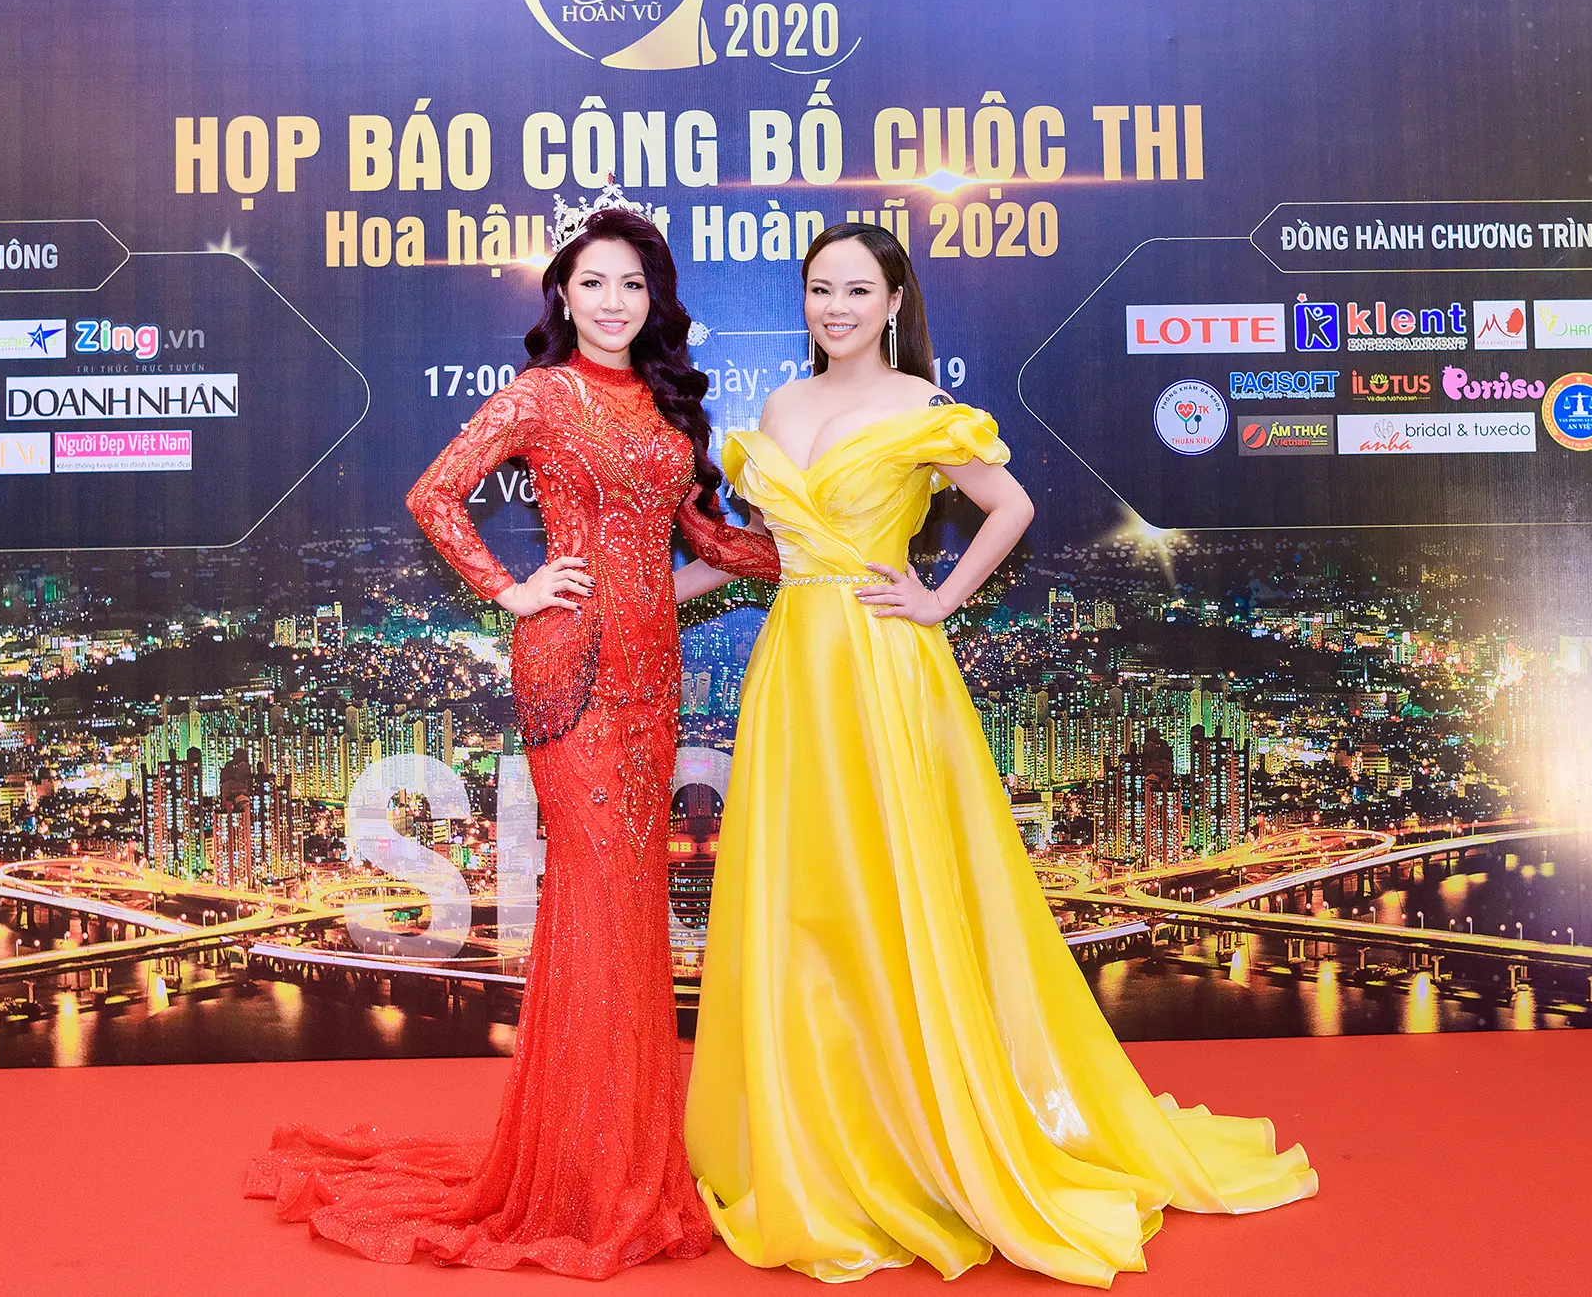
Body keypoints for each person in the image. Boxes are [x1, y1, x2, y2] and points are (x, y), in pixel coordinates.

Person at [678, 222, 1318, 1287]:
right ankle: (819, 1135)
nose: (835, 308)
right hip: (791, 666)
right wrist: (639, 597)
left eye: (856, 290)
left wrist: (936, 600)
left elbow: (1010, 505)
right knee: (806, 895)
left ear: (894, 302)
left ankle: (923, 1137)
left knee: (894, 889)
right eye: (819, 289)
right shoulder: (781, 407)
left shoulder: (924, 407)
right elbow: (762, 549)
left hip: (880, 665)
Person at [244, 197, 780, 1278]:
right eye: (593, 284)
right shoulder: (540, 394)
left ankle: (622, 1160)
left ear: (655, 299)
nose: (614, 302)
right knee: (596, 903)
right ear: (564, 297)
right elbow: (435, 495)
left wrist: (821, 549)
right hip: (570, 671)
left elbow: (708, 542)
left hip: (652, 678)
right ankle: (582, 1180)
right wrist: (513, 587)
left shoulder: (670, 409)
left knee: (629, 908)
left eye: (632, 284)